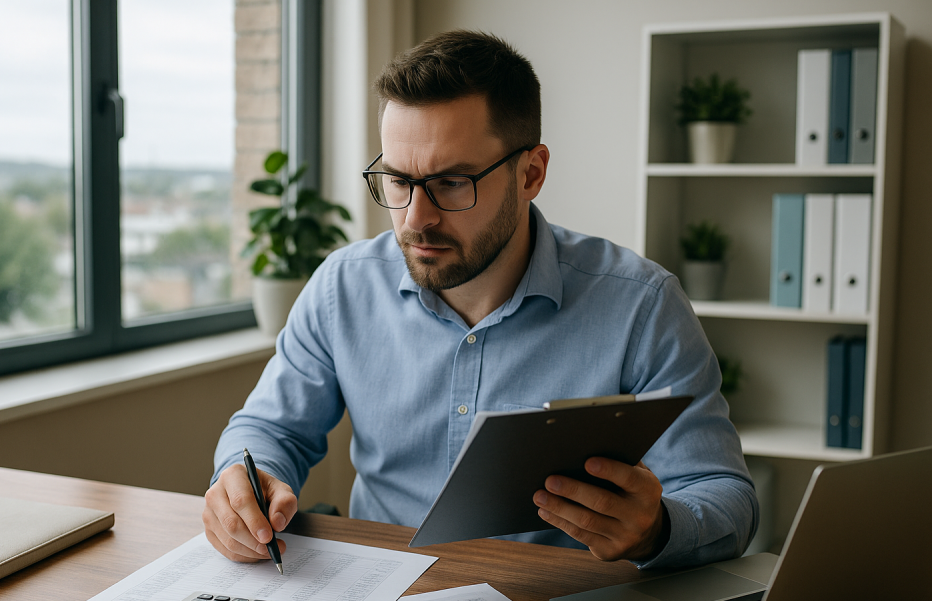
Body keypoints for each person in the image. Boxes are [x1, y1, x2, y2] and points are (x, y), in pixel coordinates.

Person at [204, 29, 757, 569]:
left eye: (452, 183)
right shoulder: (341, 287)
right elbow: (271, 430)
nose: (416, 218)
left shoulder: (642, 305)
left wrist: (656, 530)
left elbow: (724, 493)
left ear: (531, 173)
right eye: (398, 181)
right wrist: (245, 480)